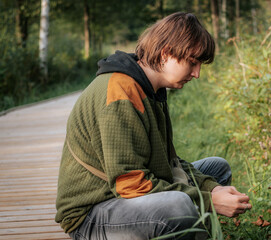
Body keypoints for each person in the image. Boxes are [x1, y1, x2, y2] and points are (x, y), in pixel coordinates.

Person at [55, 12, 251, 240]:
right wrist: (208, 200)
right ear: (166, 53)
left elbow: (170, 164)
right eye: (192, 62)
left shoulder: (151, 89)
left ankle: (194, 232)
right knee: (178, 206)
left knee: (217, 169)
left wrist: (212, 189)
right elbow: (130, 184)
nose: (196, 73)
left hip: (125, 198)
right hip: (92, 214)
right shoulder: (121, 91)